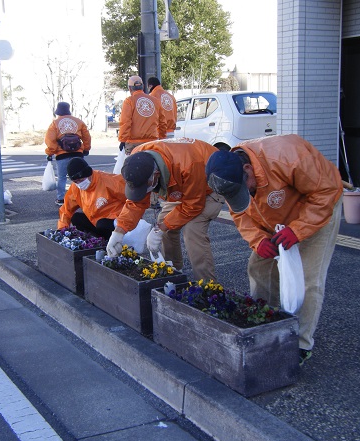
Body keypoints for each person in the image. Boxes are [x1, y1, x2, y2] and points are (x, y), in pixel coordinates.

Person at [204, 134, 343, 366]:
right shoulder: (228, 175)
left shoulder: (288, 157)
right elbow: (240, 212)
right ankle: (265, 323)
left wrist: (297, 230)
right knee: (258, 266)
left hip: (318, 208)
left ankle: (299, 344)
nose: (244, 194)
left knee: (308, 278)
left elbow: (326, 192)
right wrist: (258, 239)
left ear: (247, 168)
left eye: (244, 188)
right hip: (274, 217)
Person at [106, 138, 224, 282]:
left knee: (192, 230)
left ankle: (208, 286)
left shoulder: (189, 165)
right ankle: (174, 272)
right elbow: (136, 203)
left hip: (208, 185)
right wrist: (119, 232)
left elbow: (193, 205)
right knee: (165, 225)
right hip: (179, 184)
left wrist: (161, 228)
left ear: (156, 176)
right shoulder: (137, 160)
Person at [57, 158, 127, 239]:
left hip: (116, 223)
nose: (79, 184)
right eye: (76, 182)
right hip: (96, 222)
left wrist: (127, 221)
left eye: (81, 180)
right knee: (76, 218)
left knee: (102, 223)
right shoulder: (75, 188)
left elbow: (133, 200)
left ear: (89, 174)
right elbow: (66, 210)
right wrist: (62, 230)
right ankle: (98, 240)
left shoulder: (109, 181)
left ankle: (115, 239)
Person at [45, 102, 92, 206]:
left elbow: (50, 139)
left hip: (62, 154)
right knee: (80, 176)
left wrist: (50, 152)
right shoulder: (78, 121)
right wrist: (86, 148)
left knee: (62, 177)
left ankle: (61, 199)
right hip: (78, 153)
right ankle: (83, 196)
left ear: (58, 112)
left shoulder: (55, 123)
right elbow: (86, 136)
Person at [118, 75, 165, 156]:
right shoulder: (155, 101)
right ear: (143, 87)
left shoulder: (129, 101)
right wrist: (161, 138)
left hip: (133, 144)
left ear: (130, 88)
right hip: (151, 143)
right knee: (151, 167)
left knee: (132, 167)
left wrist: (123, 140)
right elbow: (162, 122)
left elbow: (125, 122)